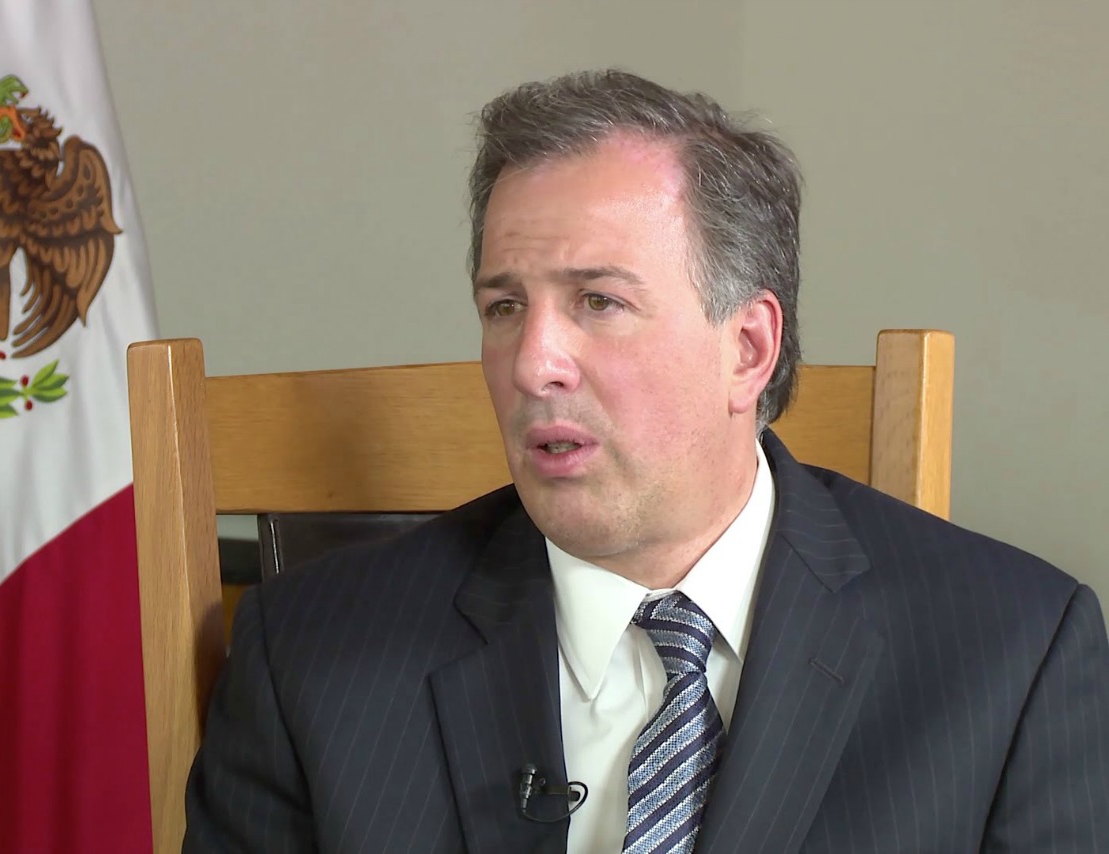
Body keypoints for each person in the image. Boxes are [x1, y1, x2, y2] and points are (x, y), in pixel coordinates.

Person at [183, 70, 1109, 853]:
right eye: (504, 307)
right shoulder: (306, 661)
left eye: (598, 301)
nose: (533, 364)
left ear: (746, 348)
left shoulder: (1016, 655)